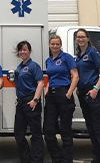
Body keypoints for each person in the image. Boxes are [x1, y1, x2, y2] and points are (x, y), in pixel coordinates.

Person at [44, 35, 79, 163]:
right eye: (52, 44)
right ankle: (56, 158)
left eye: (57, 44)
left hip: (64, 93)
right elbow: (50, 77)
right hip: (51, 97)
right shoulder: (48, 60)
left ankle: (66, 159)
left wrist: (69, 93)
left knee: (65, 130)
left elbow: (75, 76)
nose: (55, 46)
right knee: (48, 130)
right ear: (49, 45)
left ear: (60, 45)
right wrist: (47, 89)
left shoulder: (66, 58)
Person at [13, 41, 44, 163]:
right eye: (20, 50)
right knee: (18, 134)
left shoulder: (34, 66)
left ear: (30, 51)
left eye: (25, 50)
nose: (22, 52)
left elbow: (40, 83)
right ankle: (25, 159)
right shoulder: (19, 67)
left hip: (32, 102)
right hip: (21, 104)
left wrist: (35, 100)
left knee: (36, 134)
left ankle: (37, 160)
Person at [75, 28, 100, 163]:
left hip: (93, 94)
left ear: (88, 38)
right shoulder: (79, 55)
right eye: (78, 37)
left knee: (97, 128)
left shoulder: (92, 53)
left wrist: (96, 88)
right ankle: (96, 157)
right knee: (90, 128)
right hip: (83, 95)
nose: (80, 39)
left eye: (83, 37)